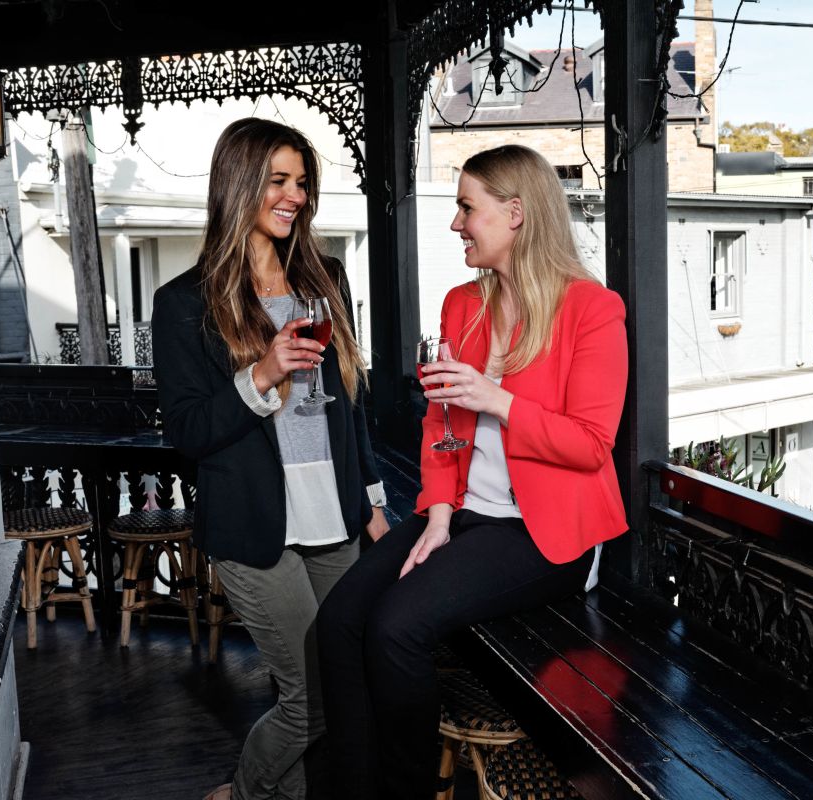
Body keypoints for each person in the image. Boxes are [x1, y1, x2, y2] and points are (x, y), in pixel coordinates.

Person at [316, 143, 629, 799]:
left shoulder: (592, 310)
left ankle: (404, 790)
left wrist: (499, 400)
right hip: (464, 515)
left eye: (467, 208)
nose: (457, 223)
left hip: (541, 534)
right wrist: (435, 517)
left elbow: (591, 445)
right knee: (340, 617)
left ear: (515, 213)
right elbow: (441, 426)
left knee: (397, 627)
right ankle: (352, 783)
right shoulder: (463, 304)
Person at [151, 118, 389, 800]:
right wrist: (261, 375)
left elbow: (352, 403)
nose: (296, 197)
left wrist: (371, 502)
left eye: (302, 183)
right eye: (279, 181)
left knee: (343, 694)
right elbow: (189, 433)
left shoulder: (326, 279)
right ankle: (246, 793)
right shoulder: (183, 304)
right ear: (241, 183)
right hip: (255, 530)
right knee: (310, 702)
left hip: (335, 519)